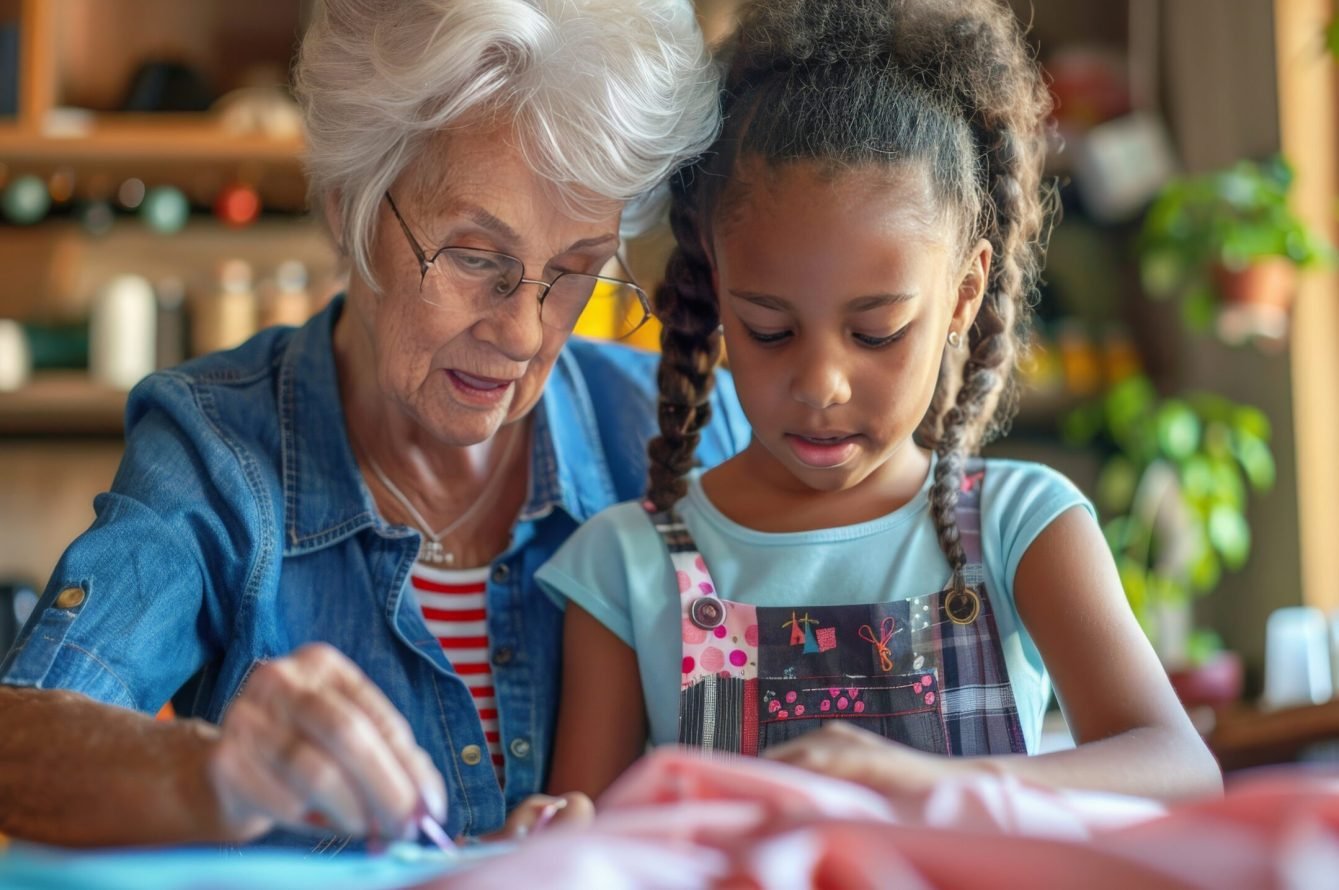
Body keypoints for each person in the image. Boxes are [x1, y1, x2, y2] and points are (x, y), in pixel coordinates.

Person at [0, 0, 748, 848]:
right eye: (474, 257)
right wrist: (214, 772)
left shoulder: (677, 432)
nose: (524, 331)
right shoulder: (220, 451)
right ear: (345, 202)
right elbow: (16, 742)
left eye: (575, 270)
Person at [538, 0, 1222, 803]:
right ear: (717, 292)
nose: (821, 383)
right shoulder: (626, 568)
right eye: (767, 330)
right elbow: (588, 844)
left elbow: (1180, 773)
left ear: (962, 294)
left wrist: (930, 787)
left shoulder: (1021, 531)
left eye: (875, 332)